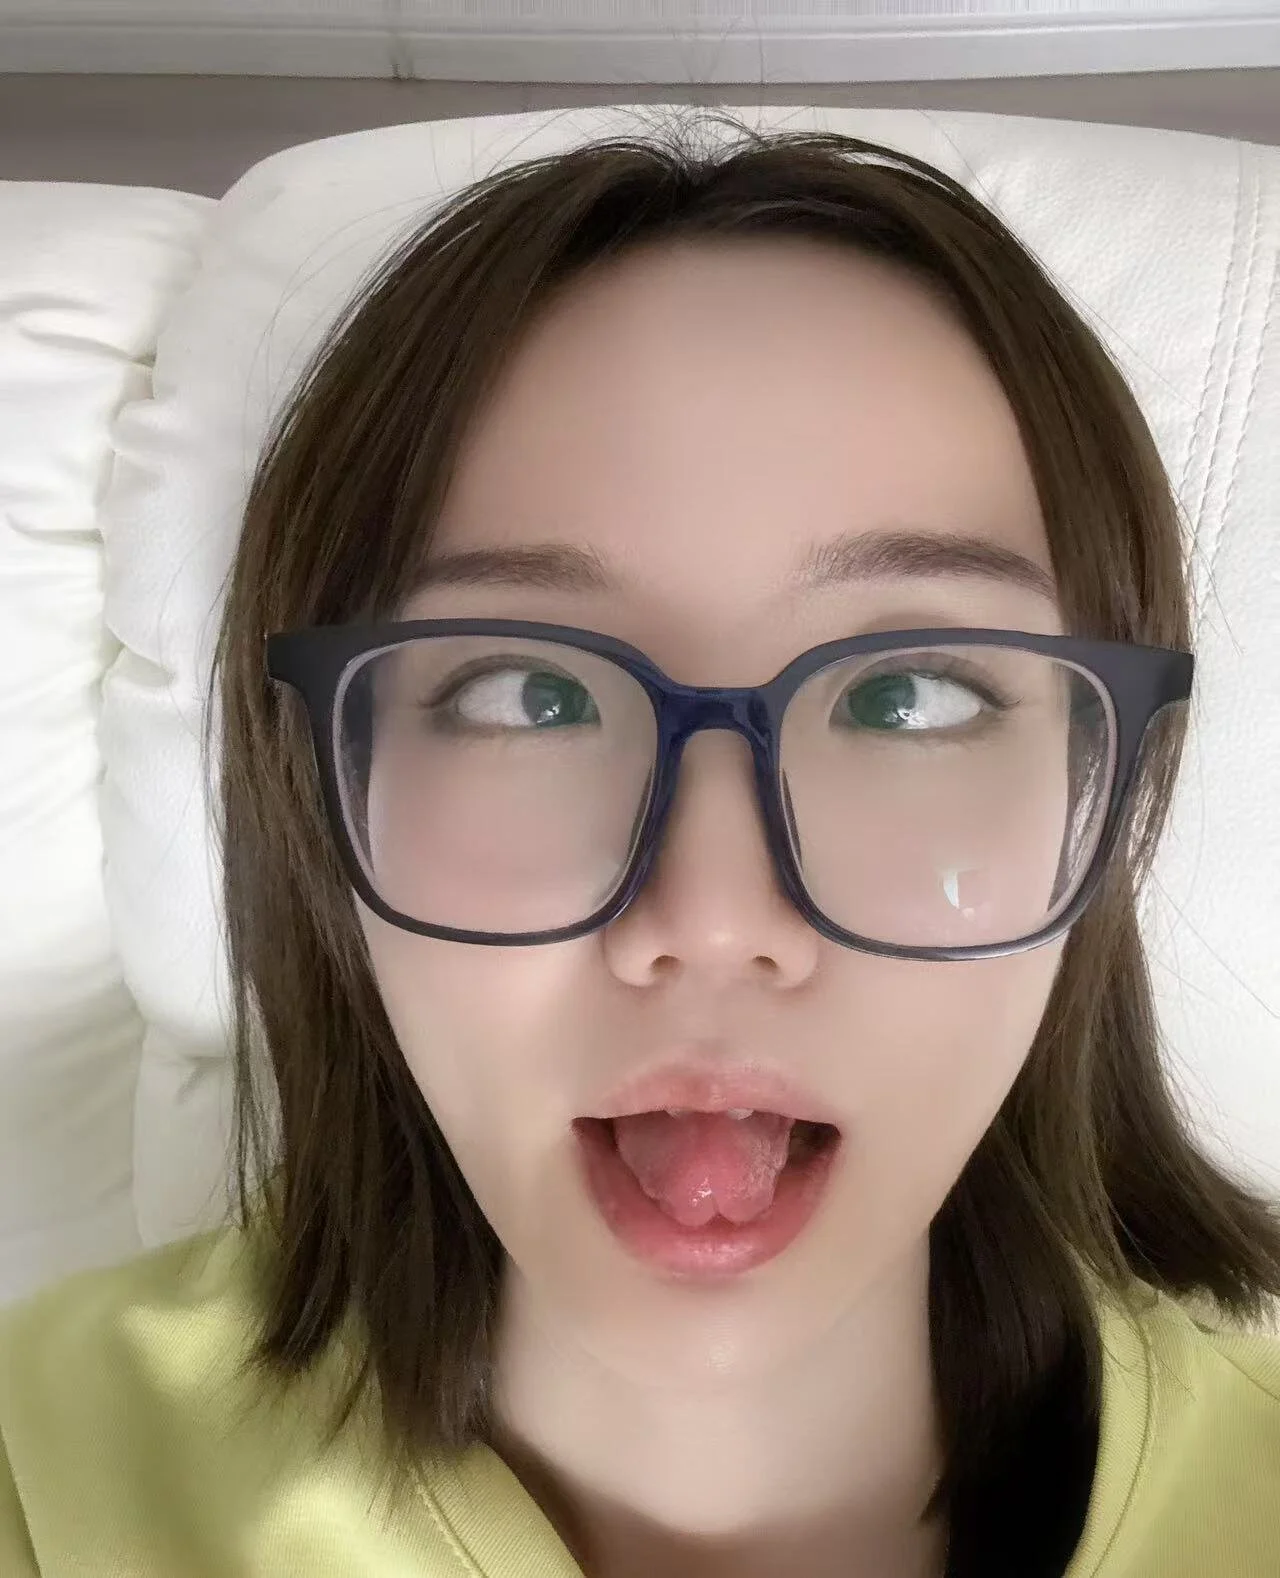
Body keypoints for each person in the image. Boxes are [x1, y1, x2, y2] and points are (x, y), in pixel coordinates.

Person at [2, 108, 1279, 1578]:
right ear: (323, 780)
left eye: (908, 694)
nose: (713, 915)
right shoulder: (47, 1477)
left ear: (1105, 788)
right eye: (529, 693)